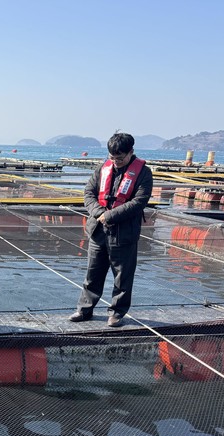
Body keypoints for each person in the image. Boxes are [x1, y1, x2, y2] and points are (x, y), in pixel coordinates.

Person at [69, 132, 153, 327]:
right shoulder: (103, 168)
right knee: (92, 273)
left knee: (123, 277)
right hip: (98, 231)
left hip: (124, 233)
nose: (115, 162)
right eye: (112, 157)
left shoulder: (143, 173)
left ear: (131, 152)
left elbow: (139, 201)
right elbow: (88, 193)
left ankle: (116, 312)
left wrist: (111, 216)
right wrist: (100, 213)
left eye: (120, 158)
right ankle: (84, 309)